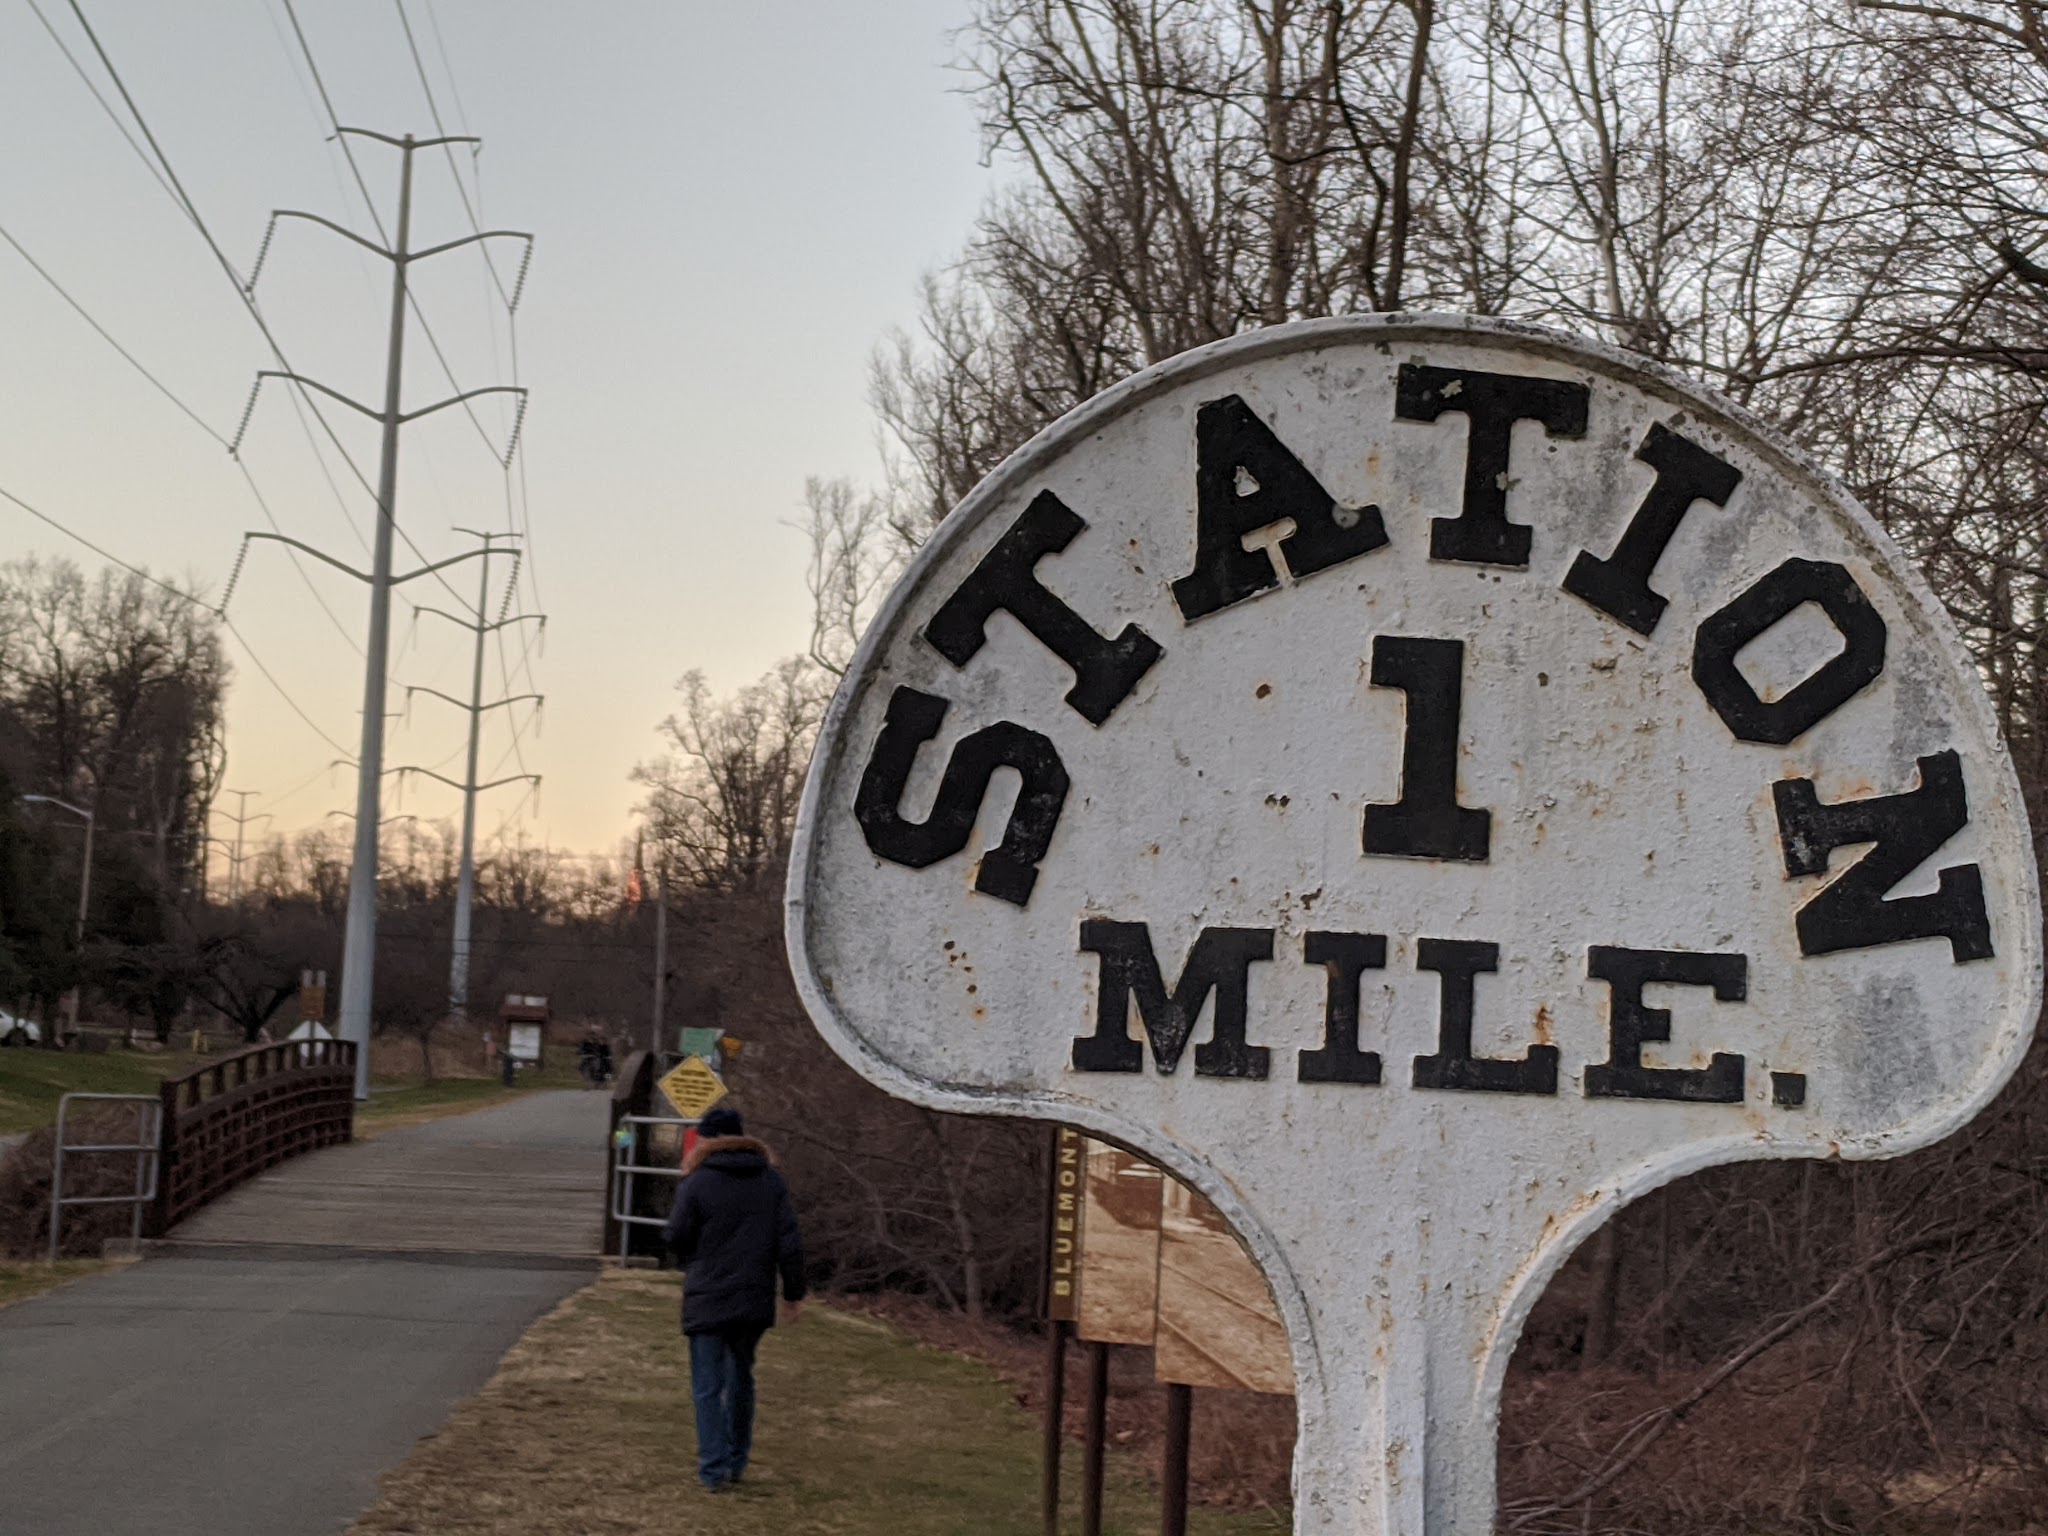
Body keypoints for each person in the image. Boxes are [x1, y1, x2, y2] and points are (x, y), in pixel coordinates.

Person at [662, 1104, 805, 1491]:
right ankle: (736, 1461)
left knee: (707, 1385)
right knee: (742, 1378)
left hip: (707, 1294)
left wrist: (694, 1256)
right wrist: (793, 1293)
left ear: (706, 1140)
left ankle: (712, 1469)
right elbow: (789, 1243)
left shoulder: (696, 1183)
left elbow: (675, 1236)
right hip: (753, 1296)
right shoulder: (770, 1182)